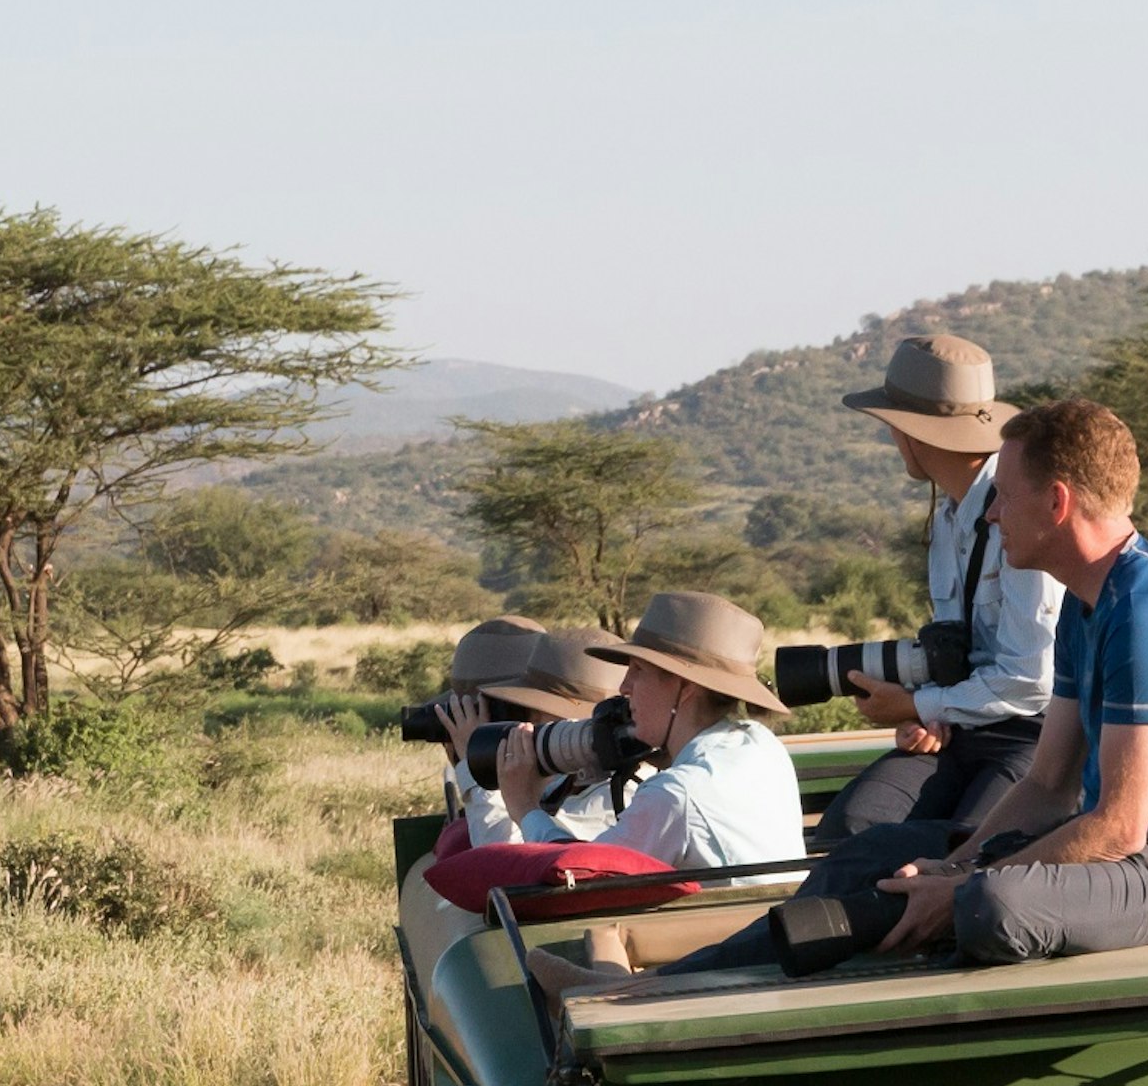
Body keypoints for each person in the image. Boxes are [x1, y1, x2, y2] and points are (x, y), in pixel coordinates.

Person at [676, 400, 1148, 971]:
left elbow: (1119, 827)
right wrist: (950, 866)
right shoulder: (1084, 603)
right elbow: (1046, 783)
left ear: (1057, 502)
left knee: (994, 905)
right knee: (877, 850)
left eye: (1004, 497)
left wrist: (969, 884)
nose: (991, 515)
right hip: (1128, 854)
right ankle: (669, 983)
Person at [816, 332, 1066, 851]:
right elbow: (960, 653)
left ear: (912, 433)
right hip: (966, 728)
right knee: (849, 832)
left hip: (1036, 737)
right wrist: (930, 714)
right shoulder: (949, 518)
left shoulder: (1017, 513)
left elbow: (1028, 682)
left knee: (968, 853)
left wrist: (917, 702)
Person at [496, 590, 806, 871]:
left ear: (685, 688)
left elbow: (581, 875)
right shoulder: (762, 744)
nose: (624, 686)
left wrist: (525, 807)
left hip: (728, 933)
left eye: (639, 670)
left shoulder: (676, 795)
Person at [454, 628, 631, 845]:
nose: (530, 722)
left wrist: (474, 771)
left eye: (539, 709)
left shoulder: (619, 796)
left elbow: (507, 864)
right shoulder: (569, 779)